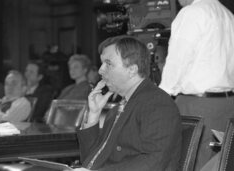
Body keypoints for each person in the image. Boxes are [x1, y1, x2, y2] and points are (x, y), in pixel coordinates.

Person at [73, 36, 182, 171]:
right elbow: (90, 161)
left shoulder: (157, 103)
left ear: (132, 69)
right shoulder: (120, 107)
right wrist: (93, 115)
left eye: (108, 63)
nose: (101, 70)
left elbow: (154, 162)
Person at [159, 0, 234, 170]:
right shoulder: (228, 15)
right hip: (228, 104)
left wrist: (159, 97)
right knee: (220, 163)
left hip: (197, 106)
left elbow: (178, 61)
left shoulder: (193, 12)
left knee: (189, 162)